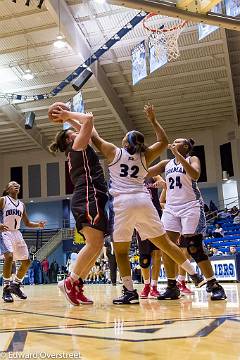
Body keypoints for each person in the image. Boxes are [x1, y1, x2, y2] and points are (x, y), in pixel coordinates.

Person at [91, 103, 203, 305]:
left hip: (122, 203)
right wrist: (152, 120)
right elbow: (163, 141)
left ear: (125, 143)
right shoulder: (145, 156)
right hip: (143, 201)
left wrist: (85, 120)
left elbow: (93, 137)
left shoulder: (114, 152)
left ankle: (129, 292)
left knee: (121, 251)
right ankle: (194, 274)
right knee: (166, 244)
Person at [148, 138, 226, 300]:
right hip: (171, 208)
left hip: (191, 206)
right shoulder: (166, 164)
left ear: (185, 146)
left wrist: (178, 156)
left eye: (177, 142)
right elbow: (147, 172)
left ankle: (214, 284)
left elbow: (195, 175)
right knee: (166, 247)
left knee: (194, 246)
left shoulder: (192, 159)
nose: (173, 143)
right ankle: (172, 286)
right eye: (174, 142)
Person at [49, 105, 108, 305]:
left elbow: (88, 129)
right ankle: (70, 281)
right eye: (72, 132)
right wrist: (67, 115)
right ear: (68, 139)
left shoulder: (79, 145)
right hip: (88, 195)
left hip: (94, 195)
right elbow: (89, 120)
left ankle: (77, 283)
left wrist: (69, 118)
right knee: (94, 242)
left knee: (98, 244)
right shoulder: (76, 146)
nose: (76, 131)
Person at [0, 181, 46, 303]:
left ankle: (16, 285)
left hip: (17, 233)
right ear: (7, 189)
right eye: (12, 184)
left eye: (17, 184)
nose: (16, 185)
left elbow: (27, 223)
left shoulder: (21, 205)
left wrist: (38, 225)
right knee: (9, 257)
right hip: (5, 232)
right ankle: (6, 288)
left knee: (26, 262)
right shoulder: (3, 200)